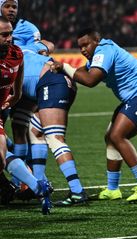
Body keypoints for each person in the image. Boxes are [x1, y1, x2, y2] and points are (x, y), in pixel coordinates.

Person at [51, 28, 137, 202]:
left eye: (86, 45)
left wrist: (65, 67)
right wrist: (68, 70)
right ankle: (113, 189)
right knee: (110, 137)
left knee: (117, 135)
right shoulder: (98, 55)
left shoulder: (104, 50)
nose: (82, 50)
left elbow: (90, 80)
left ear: (96, 41)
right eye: (79, 47)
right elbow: (83, 72)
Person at [10, 41, 89, 206]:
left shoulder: (10, 54)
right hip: (50, 82)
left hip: (51, 81)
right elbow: (48, 46)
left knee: (54, 138)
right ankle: (38, 184)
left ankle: (77, 191)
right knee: (34, 132)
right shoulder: (23, 46)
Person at [0, 16, 51, 214]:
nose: (9, 38)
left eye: (10, 33)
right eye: (4, 35)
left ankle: (37, 187)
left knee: (1, 158)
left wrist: (11, 101)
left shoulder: (16, 54)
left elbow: (17, 91)